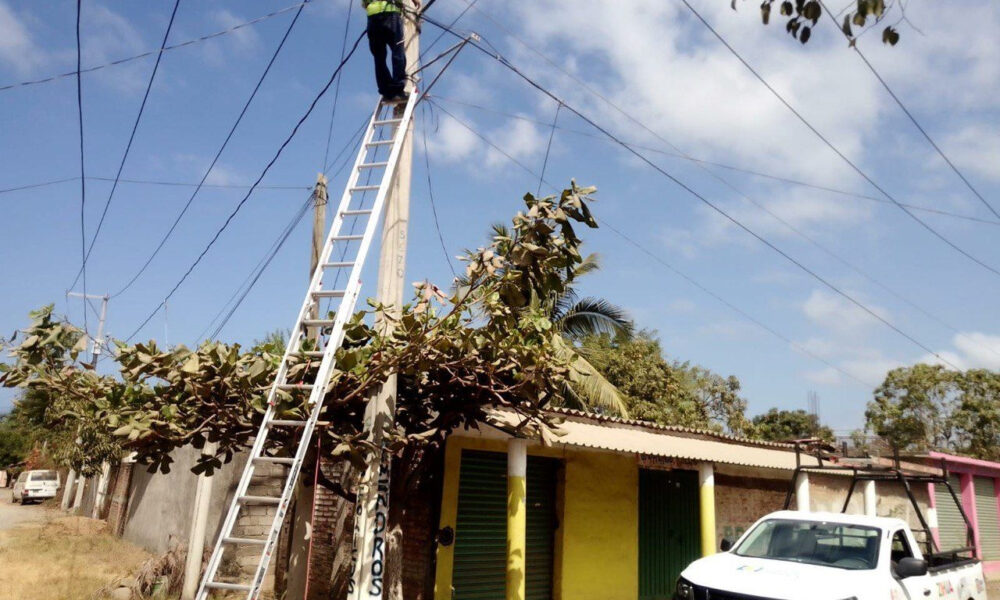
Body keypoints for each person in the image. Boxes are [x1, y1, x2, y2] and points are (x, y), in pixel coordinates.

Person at [363, 0, 420, 102]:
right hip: (390, 14)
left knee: (379, 58)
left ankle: (385, 90)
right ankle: (397, 89)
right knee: (398, 52)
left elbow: (365, 3)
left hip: (372, 17)